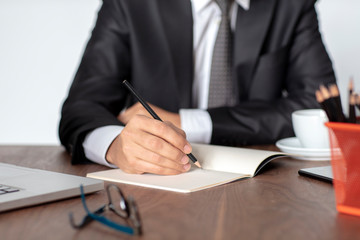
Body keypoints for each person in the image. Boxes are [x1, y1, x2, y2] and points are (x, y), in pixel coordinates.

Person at [59, 0, 336, 175]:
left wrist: (189, 122)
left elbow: (321, 106)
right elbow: (81, 108)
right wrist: (115, 146)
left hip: (265, 182)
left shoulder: (292, 5)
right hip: (159, 188)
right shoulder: (130, 5)